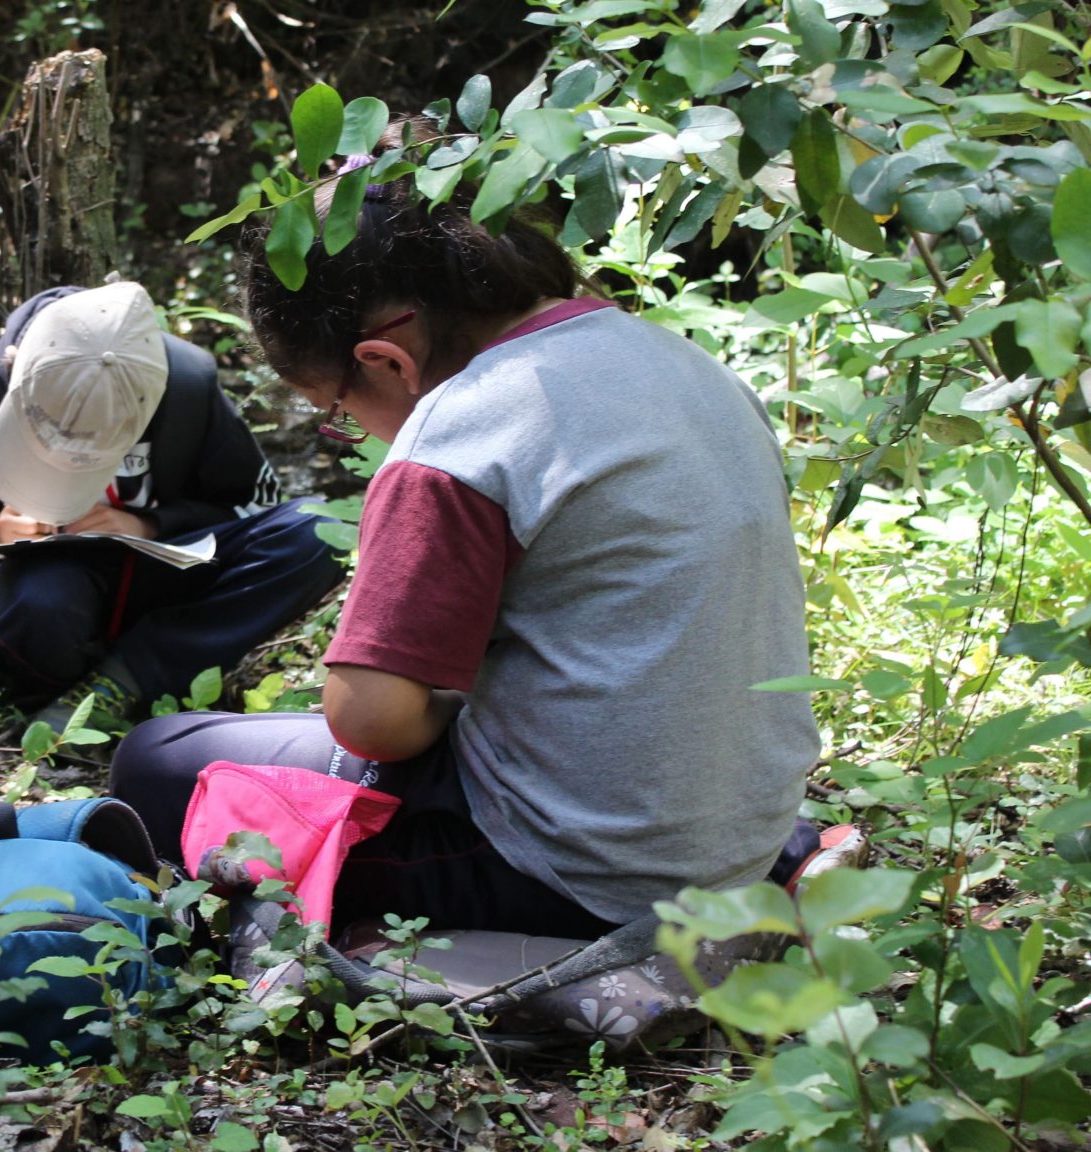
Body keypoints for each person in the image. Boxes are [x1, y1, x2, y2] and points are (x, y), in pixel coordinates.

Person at [109, 126, 857, 940]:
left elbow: (370, 720)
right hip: (734, 833)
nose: (355, 432)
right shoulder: (682, 364)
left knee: (155, 761)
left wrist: (448, 703)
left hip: (576, 872)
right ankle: (784, 861)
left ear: (385, 361)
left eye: (337, 414)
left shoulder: (461, 435)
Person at [0, 281, 345, 730]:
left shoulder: (187, 386)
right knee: (44, 606)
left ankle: (122, 681)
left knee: (318, 530)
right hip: (49, 586)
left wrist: (150, 525)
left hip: (162, 570)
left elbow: (253, 504)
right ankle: (85, 682)